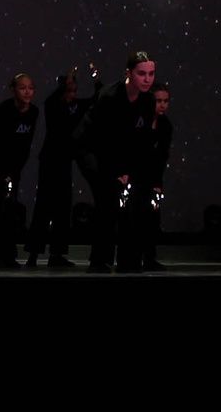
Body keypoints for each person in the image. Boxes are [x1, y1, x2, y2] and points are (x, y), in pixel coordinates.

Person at [83, 53, 158, 272]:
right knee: (106, 199)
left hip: (122, 152)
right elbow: (102, 139)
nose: (147, 79)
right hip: (92, 149)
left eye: (151, 74)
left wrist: (130, 171)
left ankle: (129, 260)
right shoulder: (109, 96)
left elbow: (140, 140)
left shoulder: (148, 100)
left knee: (134, 199)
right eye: (141, 74)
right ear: (128, 73)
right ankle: (99, 260)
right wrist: (117, 170)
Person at [27, 66, 95, 268]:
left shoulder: (76, 106)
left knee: (63, 208)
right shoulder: (52, 105)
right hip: (49, 161)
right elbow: (52, 100)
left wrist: (96, 79)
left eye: (74, 91)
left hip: (65, 161)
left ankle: (56, 254)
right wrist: (64, 84)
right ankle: (33, 253)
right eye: (68, 90)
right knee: (43, 206)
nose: (72, 95)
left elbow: (97, 98)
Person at [0, 74, 39, 268]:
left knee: (10, 210)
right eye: (22, 88)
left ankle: (9, 255)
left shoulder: (33, 112)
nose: (27, 91)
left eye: (30, 87)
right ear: (13, 90)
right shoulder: (2, 112)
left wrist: (14, 170)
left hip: (13, 166)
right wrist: (3, 172)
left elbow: (25, 144)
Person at [118, 82, 174, 272]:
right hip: (133, 174)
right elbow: (127, 146)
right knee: (131, 217)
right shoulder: (138, 118)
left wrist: (157, 183)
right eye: (158, 100)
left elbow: (162, 155)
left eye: (165, 101)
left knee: (151, 217)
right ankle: (128, 260)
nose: (162, 105)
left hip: (151, 176)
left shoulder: (166, 126)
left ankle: (149, 258)